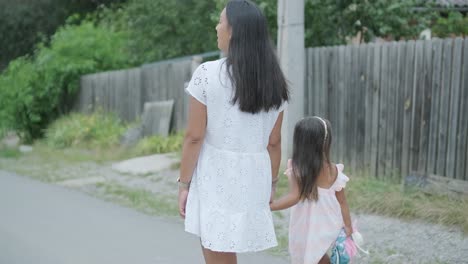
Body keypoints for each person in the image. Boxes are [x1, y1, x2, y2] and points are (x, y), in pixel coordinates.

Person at [177, 0, 289, 263]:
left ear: (234, 31)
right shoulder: (274, 81)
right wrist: (272, 183)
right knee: (226, 250)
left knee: (217, 249)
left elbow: (194, 136)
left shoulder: (207, 74)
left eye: (220, 21)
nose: (217, 27)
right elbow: (274, 142)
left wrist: (183, 184)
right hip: (254, 175)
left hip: (216, 174)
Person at [270, 116, 353, 264]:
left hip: (307, 226)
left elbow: (294, 197)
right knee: (319, 256)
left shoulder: (298, 169)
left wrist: (270, 206)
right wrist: (348, 226)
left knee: (310, 256)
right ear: (325, 143)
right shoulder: (333, 170)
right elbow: (342, 202)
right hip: (329, 223)